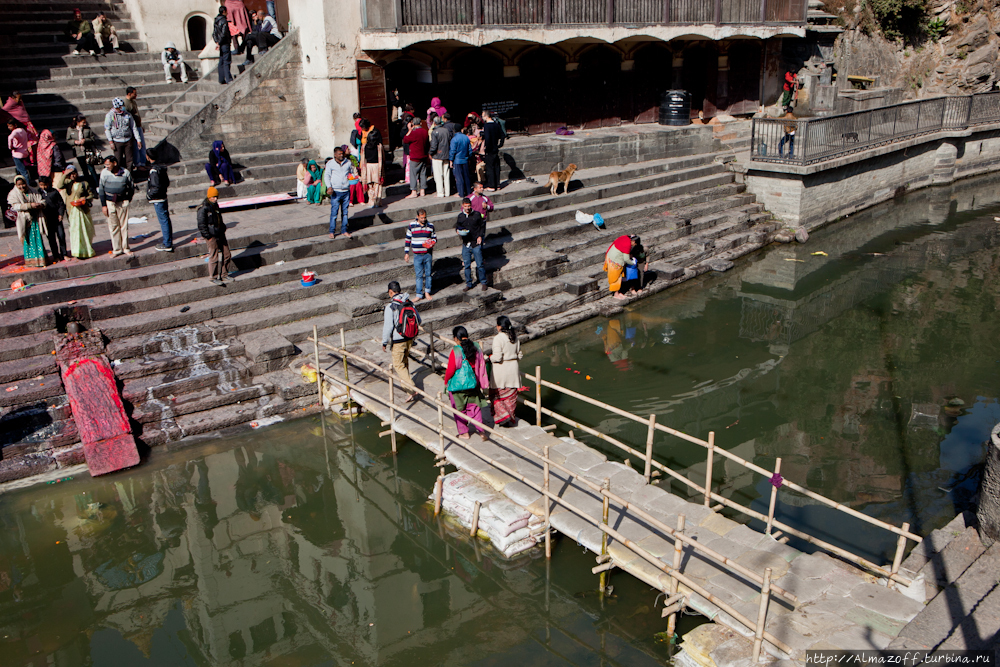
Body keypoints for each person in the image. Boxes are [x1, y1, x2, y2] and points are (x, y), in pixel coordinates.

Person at [444, 326, 490, 441]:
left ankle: (464, 433)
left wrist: (446, 381)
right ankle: (481, 431)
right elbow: (481, 365)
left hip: (458, 386)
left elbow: (450, 369)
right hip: (473, 383)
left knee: (459, 409)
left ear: (456, 338)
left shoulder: (456, 351)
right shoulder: (476, 347)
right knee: (474, 407)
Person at [381, 280, 421, 403]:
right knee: (404, 361)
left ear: (391, 292)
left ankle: (412, 388)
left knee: (398, 365)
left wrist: (384, 342)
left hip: (398, 340)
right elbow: (419, 319)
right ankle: (408, 390)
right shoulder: (409, 303)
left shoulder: (391, 307)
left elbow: (388, 327)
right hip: (410, 338)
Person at [98, 155, 135, 257]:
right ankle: (117, 249)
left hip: (122, 202)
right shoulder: (104, 173)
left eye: (108, 164)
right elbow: (101, 190)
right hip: (110, 203)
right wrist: (103, 205)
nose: (107, 167)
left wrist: (127, 198)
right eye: (105, 165)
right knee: (113, 227)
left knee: (124, 226)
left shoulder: (125, 173)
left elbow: (131, 187)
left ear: (115, 163)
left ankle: (126, 248)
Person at [7, 175, 47, 268]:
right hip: (25, 221)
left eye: (23, 184)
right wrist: (29, 205)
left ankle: (41, 260)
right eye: (19, 185)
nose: (22, 186)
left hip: (35, 219)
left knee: (37, 239)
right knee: (28, 240)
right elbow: (15, 206)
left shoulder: (33, 191)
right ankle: (31, 261)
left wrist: (40, 205)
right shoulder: (13, 194)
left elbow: (42, 200)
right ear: (16, 185)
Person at [489, 315, 522, 427]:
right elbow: (520, 354)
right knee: (511, 397)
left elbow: (497, 357)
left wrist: (489, 358)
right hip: (513, 370)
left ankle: (504, 415)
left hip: (501, 371)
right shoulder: (515, 337)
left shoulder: (498, 338)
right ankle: (509, 417)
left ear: (499, 326)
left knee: (497, 396)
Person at [197, 187, 232, 285]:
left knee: (227, 254)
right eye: (213, 197)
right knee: (214, 256)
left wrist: (223, 228)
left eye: (216, 197)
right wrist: (208, 236)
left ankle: (225, 274)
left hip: (220, 233)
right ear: (209, 197)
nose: (215, 199)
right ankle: (213, 277)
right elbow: (201, 224)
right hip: (211, 236)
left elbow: (219, 218)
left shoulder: (215, 205)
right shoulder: (203, 208)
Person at [62, 165, 96, 259]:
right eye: (71, 174)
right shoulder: (67, 183)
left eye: (74, 173)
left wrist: (84, 199)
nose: (72, 175)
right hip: (72, 211)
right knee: (75, 232)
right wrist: (66, 174)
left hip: (83, 210)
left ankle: (87, 251)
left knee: (85, 231)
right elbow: (59, 185)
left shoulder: (84, 183)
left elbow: (91, 195)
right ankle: (77, 252)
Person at [456, 197, 486, 292]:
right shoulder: (460, 216)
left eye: (469, 206)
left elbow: (482, 227)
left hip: (475, 243)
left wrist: (480, 236)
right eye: (465, 206)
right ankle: (469, 283)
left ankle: (483, 282)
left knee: (480, 264)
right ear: (462, 206)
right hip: (466, 244)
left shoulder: (476, 215)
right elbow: (458, 227)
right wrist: (458, 231)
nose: (467, 208)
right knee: (467, 265)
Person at [145, 147, 173, 252]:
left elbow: (155, 186)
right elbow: (167, 182)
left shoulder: (154, 170)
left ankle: (167, 243)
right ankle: (167, 241)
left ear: (148, 157)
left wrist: (149, 195)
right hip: (163, 196)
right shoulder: (161, 167)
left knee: (164, 220)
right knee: (165, 219)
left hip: (158, 198)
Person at [404, 208, 435, 301]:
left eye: (425, 217)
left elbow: (434, 237)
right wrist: (406, 253)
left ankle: (427, 292)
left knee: (428, 274)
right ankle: (419, 294)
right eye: (421, 218)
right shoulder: (412, 226)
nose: (423, 219)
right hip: (417, 255)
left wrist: (432, 242)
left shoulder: (430, 225)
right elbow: (407, 239)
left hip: (427, 253)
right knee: (419, 275)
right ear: (417, 217)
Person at [324, 148, 355, 238]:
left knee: (345, 212)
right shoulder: (330, 164)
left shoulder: (348, 162)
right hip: (335, 191)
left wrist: (352, 177)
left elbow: (351, 173)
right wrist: (329, 186)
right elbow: (327, 176)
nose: (341, 155)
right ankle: (332, 231)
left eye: (342, 154)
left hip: (346, 191)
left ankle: (344, 230)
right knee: (334, 213)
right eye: (339, 154)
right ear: (335, 155)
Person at [104, 97, 140, 170]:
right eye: (121, 107)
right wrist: (111, 142)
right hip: (117, 141)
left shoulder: (127, 114)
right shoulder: (110, 115)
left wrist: (138, 139)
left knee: (129, 160)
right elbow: (107, 129)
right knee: (118, 160)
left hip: (128, 140)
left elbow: (133, 127)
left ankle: (129, 176)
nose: (122, 108)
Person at [36, 175, 67, 263]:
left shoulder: (54, 192)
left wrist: (61, 214)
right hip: (46, 219)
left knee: (61, 236)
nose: (43, 187)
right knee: (51, 238)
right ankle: (56, 255)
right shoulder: (38, 193)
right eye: (41, 185)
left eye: (45, 185)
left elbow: (61, 204)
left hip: (56, 217)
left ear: (49, 183)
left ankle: (64, 254)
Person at [66, 115, 98, 186]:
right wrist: (75, 142)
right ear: (78, 122)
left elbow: (92, 139)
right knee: (84, 170)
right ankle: (88, 185)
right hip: (78, 152)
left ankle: (96, 185)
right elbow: (68, 140)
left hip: (87, 152)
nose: (85, 124)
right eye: (83, 122)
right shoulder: (71, 129)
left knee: (92, 169)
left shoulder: (87, 129)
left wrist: (85, 140)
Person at [359, 120, 385, 208]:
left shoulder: (364, 147)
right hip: (377, 166)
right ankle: (377, 201)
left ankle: (371, 201)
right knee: (377, 185)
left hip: (368, 167)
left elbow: (363, 159)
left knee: (370, 185)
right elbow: (383, 158)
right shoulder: (379, 147)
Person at [403, 117, 430, 199]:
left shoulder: (413, 133)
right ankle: (422, 190)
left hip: (415, 156)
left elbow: (405, 140)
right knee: (423, 173)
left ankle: (414, 191)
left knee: (414, 174)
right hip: (423, 155)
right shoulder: (425, 132)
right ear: (420, 123)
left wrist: (410, 130)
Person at [603, 235, 636, 300]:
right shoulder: (627, 245)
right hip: (615, 262)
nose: (634, 245)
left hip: (612, 257)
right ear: (633, 241)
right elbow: (626, 259)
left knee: (619, 276)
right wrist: (633, 264)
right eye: (635, 243)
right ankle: (616, 294)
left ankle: (619, 292)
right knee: (616, 278)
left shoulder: (625, 238)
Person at [482, 109, 505, 191]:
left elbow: (487, 138)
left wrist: (486, 148)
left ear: (486, 116)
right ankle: (497, 185)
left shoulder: (487, 126)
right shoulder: (496, 125)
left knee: (490, 168)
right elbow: (503, 135)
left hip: (490, 149)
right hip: (495, 148)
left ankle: (491, 186)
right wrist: (500, 144)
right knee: (496, 167)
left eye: (482, 116)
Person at [123, 87, 146, 169]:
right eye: (134, 93)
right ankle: (138, 164)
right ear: (129, 94)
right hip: (133, 128)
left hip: (138, 126)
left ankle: (143, 163)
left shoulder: (133, 102)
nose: (136, 95)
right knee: (136, 147)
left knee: (142, 146)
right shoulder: (126, 103)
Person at [430, 116, 452, 198]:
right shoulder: (446, 130)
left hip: (437, 155)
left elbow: (433, 146)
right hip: (446, 154)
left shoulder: (434, 132)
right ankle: (447, 192)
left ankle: (440, 192)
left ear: (434, 123)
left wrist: (430, 153)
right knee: (446, 174)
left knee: (438, 175)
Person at [449, 126, 473, 198]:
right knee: (466, 176)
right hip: (465, 159)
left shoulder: (454, 139)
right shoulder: (466, 137)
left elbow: (452, 151)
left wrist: (451, 160)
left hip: (457, 160)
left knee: (459, 177)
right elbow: (470, 150)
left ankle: (461, 193)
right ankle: (468, 191)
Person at [7, 119, 32, 184]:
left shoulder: (15, 132)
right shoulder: (23, 130)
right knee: (19, 170)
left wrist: (10, 147)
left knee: (23, 171)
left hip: (17, 154)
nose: (9, 128)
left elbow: (10, 137)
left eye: (10, 126)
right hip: (24, 152)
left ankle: (28, 185)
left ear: (15, 125)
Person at [213, 6, 234, 85]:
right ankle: (229, 78)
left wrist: (217, 42)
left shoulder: (216, 21)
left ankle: (221, 79)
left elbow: (214, 33)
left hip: (220, 43)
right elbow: (224, 33)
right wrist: (220, 42)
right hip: (225, 43)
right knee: (226, 61)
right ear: (224, 11)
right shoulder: (223, 20)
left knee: (221, 61)